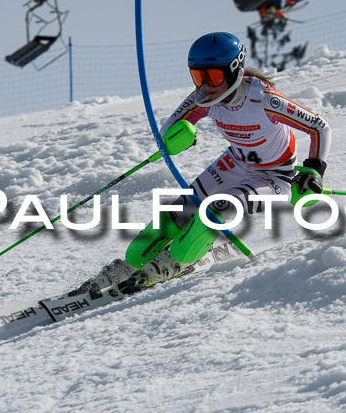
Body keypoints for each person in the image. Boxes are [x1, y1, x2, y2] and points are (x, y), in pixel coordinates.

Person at [78, 32, 331, 294]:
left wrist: (314, 170)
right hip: (235, 163)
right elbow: (168, 129)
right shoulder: (205, 99)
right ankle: (128, 267)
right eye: (199, 76)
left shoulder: (265, 100)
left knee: (214, 211)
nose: (205, 85)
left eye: (213, 77)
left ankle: (175, 263)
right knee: (170, 220)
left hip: (275, 177)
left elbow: (319, 127)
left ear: (234, 71)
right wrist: (177, 136)